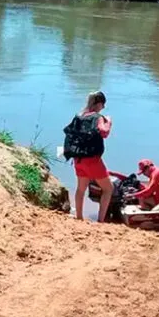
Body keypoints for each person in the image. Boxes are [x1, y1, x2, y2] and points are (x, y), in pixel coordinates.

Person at [63, 91, 114, 222]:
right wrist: (108, 122)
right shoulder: (98, 117)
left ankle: (79, 217)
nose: (103, 108)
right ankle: (101, 220)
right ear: (99, 104)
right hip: (93, 160)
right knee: (108, 189)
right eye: (103, 105)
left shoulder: (79, 116)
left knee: (81, 188)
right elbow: (104, 132)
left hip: (78, 159)